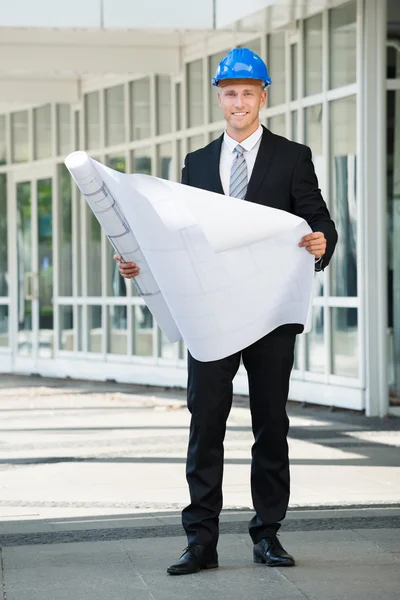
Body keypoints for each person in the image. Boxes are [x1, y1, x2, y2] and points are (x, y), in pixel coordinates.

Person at [114, 47, 338, 575]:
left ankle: (267, 535)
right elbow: (174, 238)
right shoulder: (194, 164)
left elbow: (319, 221)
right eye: (230, 93)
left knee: (270, 424)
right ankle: (201, 541)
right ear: (220, 97)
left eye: (248, 93)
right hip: (211, 314)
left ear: (264, 96)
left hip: (269, 314)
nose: (238, 102)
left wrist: (321, 243)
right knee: (205, 422)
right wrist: (140, 266)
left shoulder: (292, 157)